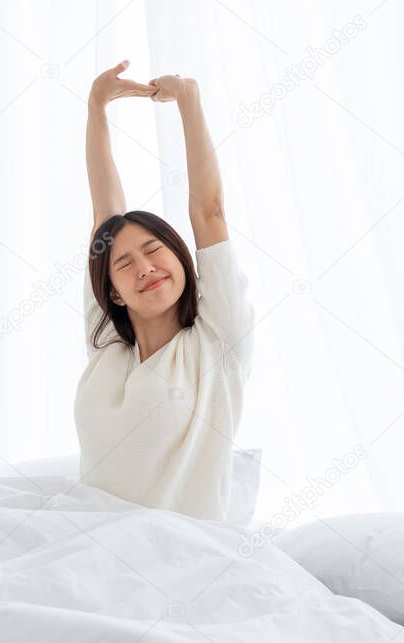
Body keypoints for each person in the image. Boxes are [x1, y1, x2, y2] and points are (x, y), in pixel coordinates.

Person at [74, 60, 256, 522]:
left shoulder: (217, 342)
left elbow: (210, 211)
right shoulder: (108, 349)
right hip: (90, 542)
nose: (145, 268)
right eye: (125, 263)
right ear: (113, 292)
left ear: (181, 257)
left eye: (154, 250)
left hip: (179, 556)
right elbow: (105, 212)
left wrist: (188, 103)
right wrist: (97, 107)